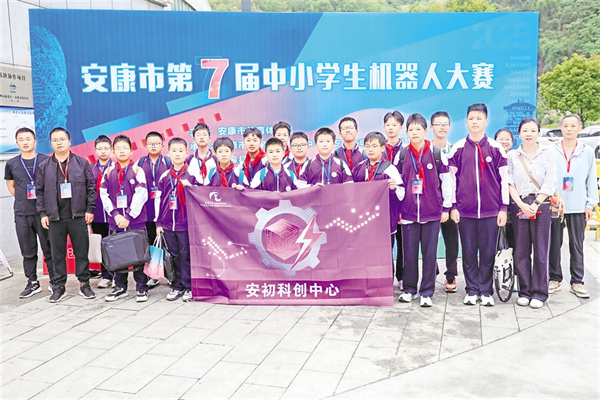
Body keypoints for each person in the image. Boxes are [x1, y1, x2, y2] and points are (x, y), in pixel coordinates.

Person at [447, 104, 509, 307]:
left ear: (486, 122)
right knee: (469, 252)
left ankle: (486, 290)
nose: (475, 122)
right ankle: (472, 290)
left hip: (491, 211)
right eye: (471, 119)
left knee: (488, 252)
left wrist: (503, 208)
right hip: (465, 211)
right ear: (466, 122)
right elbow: (451, 181)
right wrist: (453, 206)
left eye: (479, 118)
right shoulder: (457, 149)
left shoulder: (496, 148)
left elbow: (504, 180)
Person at [396, 115, 453, 307]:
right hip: (408, 213)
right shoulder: (402, 155)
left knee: (429, 255)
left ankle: (427, 292)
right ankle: (410, 290)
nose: (415, 133)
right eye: (411, 130)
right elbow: (398, 184)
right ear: (406, 133)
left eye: (418, 129)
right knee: (409, 254)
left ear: (425, 131)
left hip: (432, 212)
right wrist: (399, 209)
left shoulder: (436, 153)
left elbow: (446, 182)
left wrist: (446, 208)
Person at [36, 127, 96, 303]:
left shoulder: (81, 163)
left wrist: (89, 209)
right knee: (57, 253)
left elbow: (91, 188)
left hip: (77, 215)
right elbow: (39, 192)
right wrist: (43, 213)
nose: (59, 142)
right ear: (51, 144)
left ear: (69, 141)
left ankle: (84, 284)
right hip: (55, 217)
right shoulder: (44, 166)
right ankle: (58, 286)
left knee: (81, 251)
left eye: (62, 139)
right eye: (55, 140)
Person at [507, 118, 556, 309]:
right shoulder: (512, 155)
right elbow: (509, 182)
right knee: (521, 250)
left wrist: (535, 204)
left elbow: (550, 181)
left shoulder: (547, 153)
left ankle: (539, 293)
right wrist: (521, 204)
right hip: (519, 204)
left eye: (533, 130)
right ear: (519, 133)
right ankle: (524, 291)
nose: (529, 134)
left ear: (538, 133)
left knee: (541, 250)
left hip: (541, 204)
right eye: (525, 130)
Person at [548, 114, 599, 298]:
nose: (569, 129)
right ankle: (554, 278)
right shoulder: (552, 150)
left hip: (578, 205)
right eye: (566, 126)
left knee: (577, 245)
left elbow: (591, 179)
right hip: (556, 205)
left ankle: (577, 281)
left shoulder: (587, 152)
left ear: (579, 128)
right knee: (554, 243)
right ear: (561, 128)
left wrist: (590, 204)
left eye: (573, 126)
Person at [4, 127, 54, 298]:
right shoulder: (11, 164)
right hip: (22, 213)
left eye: (28, 139)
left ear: (35, 141)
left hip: (43, 213)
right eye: (21, 139)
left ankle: (54, 280)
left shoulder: (46, 160)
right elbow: (11, 186)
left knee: (49, 248)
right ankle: (32, 282)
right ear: (16, 143)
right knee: (27, 250)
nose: (25, 142)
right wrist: (22, 200)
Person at [100, 135, 150, 302]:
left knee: (139, 255)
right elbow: (104, 195)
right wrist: (115, 214)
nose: (122, 151)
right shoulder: (108, 171)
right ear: (113, 151)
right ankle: (120, 287)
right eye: (118, 148)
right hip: (116, 223)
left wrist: (128, 216)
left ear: (131, 150)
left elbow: (141, 194)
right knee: (118, 254)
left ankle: (142, 288)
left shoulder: (137, 170)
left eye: (125, 148)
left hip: (135, 221)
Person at [351, 131, 405, 280]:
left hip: (385, 221)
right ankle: (367, 282)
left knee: (385, 253)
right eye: (367, 146)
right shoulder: (359, 168)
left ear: (382, 148)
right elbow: (350, 192)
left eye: (374, 146)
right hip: (364, 220)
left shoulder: (390, 169)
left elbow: (401, 194)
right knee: (365, 253)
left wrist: (393, 188)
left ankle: (386, 284)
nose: (370, 149)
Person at [155, 138, 199, 302]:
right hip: (168, 225)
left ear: (186, 153)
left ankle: (188, 287)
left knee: (185, 256)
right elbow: (158, 200)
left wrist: (191, 187)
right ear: (168, 153)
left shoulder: (193, 175)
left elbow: (201, 196)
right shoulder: (165, 176)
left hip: (186, 225)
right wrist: (158, 223)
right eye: (174, 151)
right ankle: (176, 286)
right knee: (173, 256)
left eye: (181, 151)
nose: (177, 154)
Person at [134, 131, 171, 288]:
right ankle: (153, 275)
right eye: (150, 143)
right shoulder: (140, 163)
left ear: (162, 145)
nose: (153, 146)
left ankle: (171, 275)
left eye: (157, 143)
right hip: (146, 212)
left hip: (165, 211)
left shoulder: (168, 162)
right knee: (151, 244)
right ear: (145, 145)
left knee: (168, 244)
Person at [431, 111, 460, 293]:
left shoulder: (455, 150)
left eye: (445, 124)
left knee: (452, 241)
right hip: (431, 205)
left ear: (449, 127)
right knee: (430, 242)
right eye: (438, 124)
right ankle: (431, 271)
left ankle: (451, 275)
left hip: (452, 204)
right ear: (431, 127)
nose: (441, 128)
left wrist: (453, 205)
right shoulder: (426, 150)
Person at [383, 111, 405, 288]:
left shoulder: (406, 151)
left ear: (401, 128)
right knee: (386, 244)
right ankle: (386, 278)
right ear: (384, 127)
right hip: (384, 206)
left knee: (403, 242)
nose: (391, 128)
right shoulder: (377, 148)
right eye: (388, 125)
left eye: (394, 125)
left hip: (403, 201)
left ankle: (402, 277)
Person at [90, 135, 114, 288]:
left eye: (106, 148)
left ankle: (118, 275)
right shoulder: (90, 169)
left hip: (114, 215)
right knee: (101, 244)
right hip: (97, 214)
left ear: (111, 150)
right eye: (100, 149)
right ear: (95, 150)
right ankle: (106, 275)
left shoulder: (117, 168)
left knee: (115, 244)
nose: (103, 151)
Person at [494, 128, 516, 249]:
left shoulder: (516, 158)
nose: (504, 142)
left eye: (507, 139)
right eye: (501, 139)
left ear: (512, 141)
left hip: (513, 203)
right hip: (495, 204)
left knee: (514, 239)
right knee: (495, 240)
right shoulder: (491, 157)